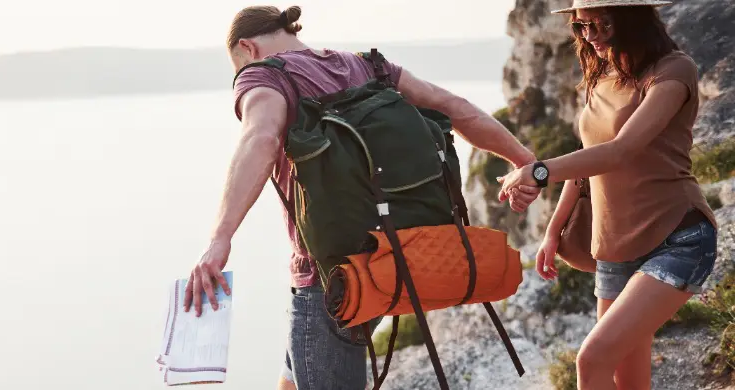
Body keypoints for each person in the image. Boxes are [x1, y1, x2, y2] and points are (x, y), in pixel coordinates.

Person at [179, 5, 539, 390]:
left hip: (330, 278)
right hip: (394, 257)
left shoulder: (262, 75)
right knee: (294, 376)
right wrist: (526, 162)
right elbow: (456, 108)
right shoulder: (368, 67)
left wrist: (219, 240)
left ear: (247, 48)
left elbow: (260, 138)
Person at [497, 1, 719, 389]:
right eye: (583, 26)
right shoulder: (601, 77)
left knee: (592, 359)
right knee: (627, 381)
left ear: (633, 20)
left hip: (678, 238)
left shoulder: (673, 70)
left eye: (602, 24)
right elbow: (590, 159)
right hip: (615, 248)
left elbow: (622, 150)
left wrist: (539, 170)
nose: (591, 36)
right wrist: (553, 230)